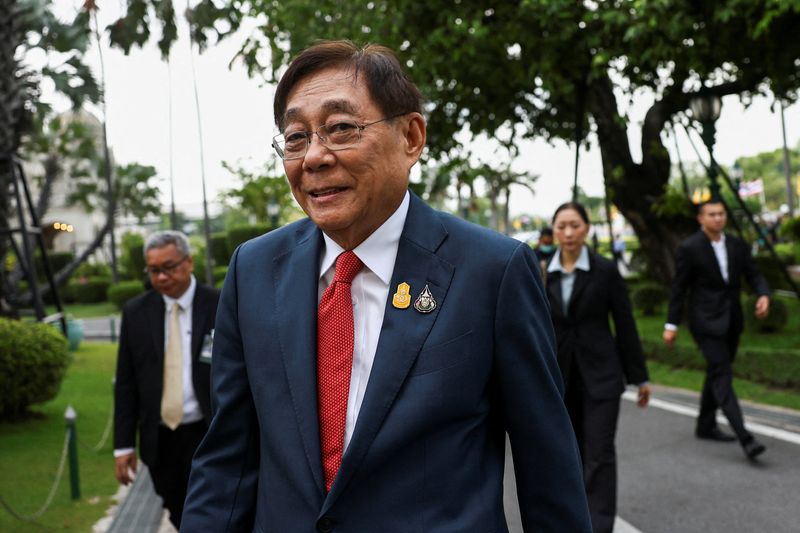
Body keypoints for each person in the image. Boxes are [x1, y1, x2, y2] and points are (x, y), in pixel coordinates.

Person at [181, 41, 591, 532]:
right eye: (295, 138)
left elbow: (547, 468)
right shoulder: (253, 271)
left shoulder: (492, 271)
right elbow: (227, 462)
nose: (314, 157)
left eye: (340, 128)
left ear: (411, 137)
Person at [545, 201, 650, 533]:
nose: (568, 233)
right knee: (569, 451)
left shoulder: (605, 270)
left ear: (587, 229)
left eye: (575, 225)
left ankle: (600, 525)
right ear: (554, 231)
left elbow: (625, 323)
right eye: (561, 226)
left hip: (602, 374)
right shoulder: (541, 270)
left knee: (600, 452)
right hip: (560, 376)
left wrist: (640, 377)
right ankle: (575, 517)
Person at [113, 231, 220, 529]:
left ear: (189, 262)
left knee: (211, 510)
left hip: (207, 431)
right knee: (177, 510)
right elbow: (126, 382)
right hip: (160, 439)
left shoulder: (220, 304)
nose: (161, 277)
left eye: (169, 267)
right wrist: (123, 446)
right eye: (153, 270)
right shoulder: (136, 312)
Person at [664, 199, 770, 460]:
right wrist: (671, 324)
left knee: (716, 370)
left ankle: (705, 424)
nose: (718, 218)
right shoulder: (689, 248)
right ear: (701, 219)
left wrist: (763, 294)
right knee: (722, 374)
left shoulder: (736, 244)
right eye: (712, 214)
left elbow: (754, 274)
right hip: (704, 322)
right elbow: (679, 289)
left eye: (721, 214)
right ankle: (746, 438)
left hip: (732, 319)